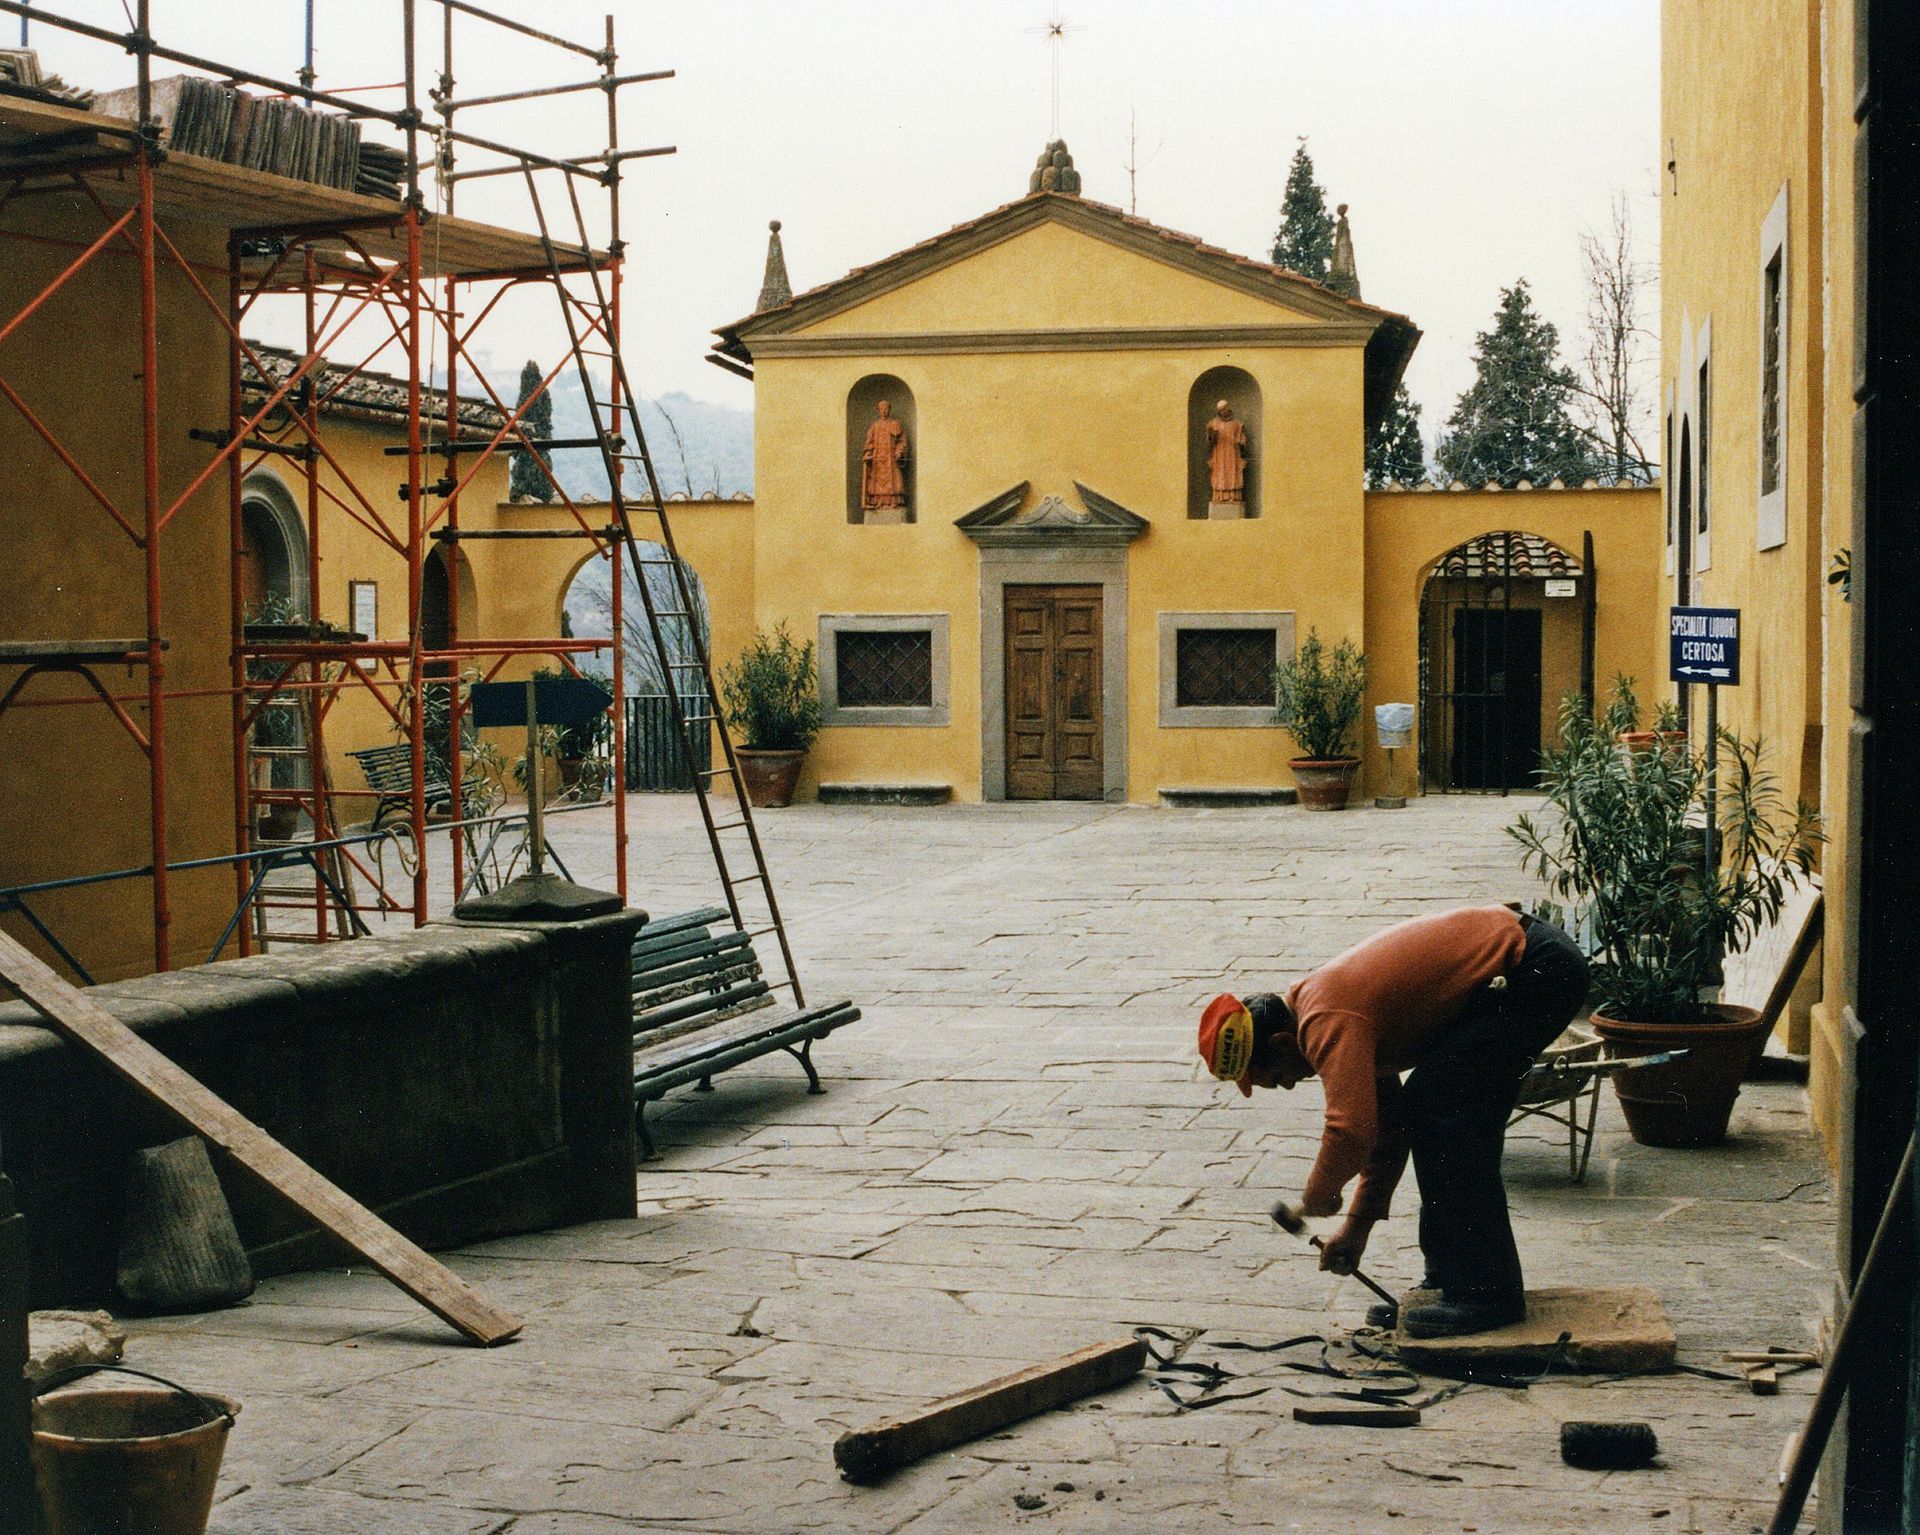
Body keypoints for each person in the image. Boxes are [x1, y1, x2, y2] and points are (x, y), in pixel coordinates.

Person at [1195, 905, 1589, 1337]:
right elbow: (1387, 1133)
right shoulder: (1329, 1014)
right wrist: (1355, 1228)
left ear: (1283, 1042)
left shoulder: (1326, 1019)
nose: (1289, 1085)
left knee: (1446, 1109)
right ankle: (1454, 1281)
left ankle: (1486, 1293)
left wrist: (1316, 1198)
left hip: (1536, 967)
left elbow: (1348, 1130)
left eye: (1277, 1077)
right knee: (1431, 1106)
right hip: (1525, 965)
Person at [861, 399, 910, 512]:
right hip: (877, 460)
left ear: (889, 410)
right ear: (878, 411)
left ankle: (894, 502)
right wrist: (868, 453)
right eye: (881, 409)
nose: (884, 411)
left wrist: (899, 451)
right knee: (876, 482)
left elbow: (902, 441)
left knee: (894, 481)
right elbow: (869, 442)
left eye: (886, 408)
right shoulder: (874, 426)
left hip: (891, 459)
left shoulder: (895, 424)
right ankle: (878, 502)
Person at [1205, 399, 1249, 505]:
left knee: (1232, 474)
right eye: (1221, 410)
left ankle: (1233, 496)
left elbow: (1242, 440)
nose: (1224, 411)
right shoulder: (1213, 423)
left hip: (1233, 454)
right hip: (1219, 455)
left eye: (1225, 409)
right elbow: (1211, 441)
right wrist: (1211, 433)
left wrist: (1242, 441)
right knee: (1220, 475)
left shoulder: (1237, 424)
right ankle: (1219, 496)